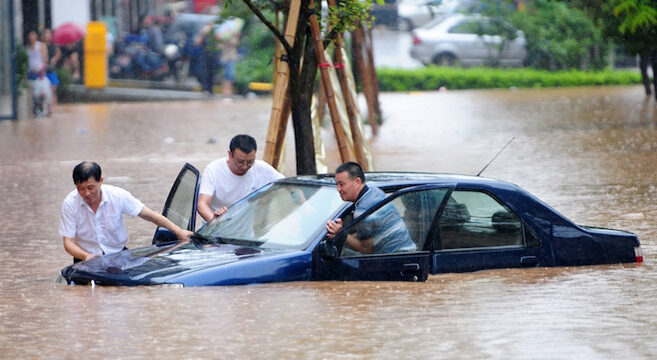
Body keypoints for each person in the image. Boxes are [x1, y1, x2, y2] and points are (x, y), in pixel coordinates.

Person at [59, 162, 193, 263]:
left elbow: (150, 216)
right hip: (85, 259)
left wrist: (179, 232)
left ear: (101, 181)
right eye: (81, 189)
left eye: (90, 188)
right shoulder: (70, 203)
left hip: (118, 256)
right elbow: (68, 242)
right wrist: (86, 256)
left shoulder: (118, 196)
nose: (86, 193)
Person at [325, 162, 415, 254]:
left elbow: (366, 250)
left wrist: (341, 234)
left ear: (357, 182)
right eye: (337, 184)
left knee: (341, 254)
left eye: (341, 184)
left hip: (395, 258)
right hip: (408, 250)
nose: (338, 189)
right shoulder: (375, 192)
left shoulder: (363, 210)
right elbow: (369, 233)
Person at [197, 134, 284, 222]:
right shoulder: (213, 169)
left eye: (250, 162)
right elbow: (202, 204)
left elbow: (287, 183)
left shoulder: (261, 168)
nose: (245, 166)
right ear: (230, 155)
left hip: (244, 235)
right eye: (240, 162)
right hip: (215, 231)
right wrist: (215, 222)